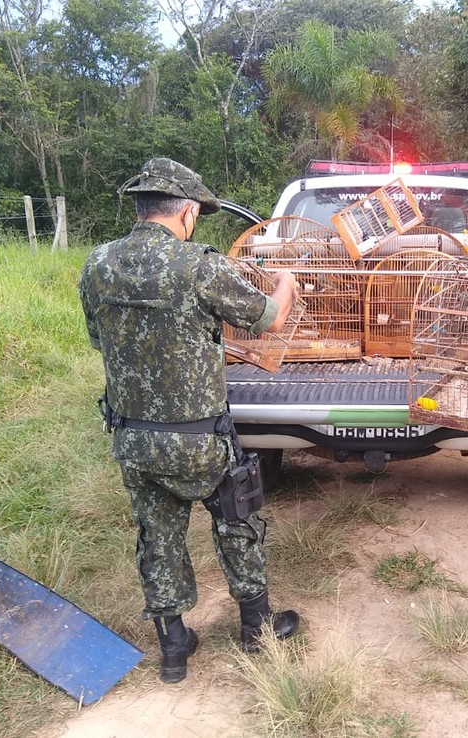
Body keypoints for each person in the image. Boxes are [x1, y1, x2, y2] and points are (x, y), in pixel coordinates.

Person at [79, 157, 301, 684]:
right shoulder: (198, 265)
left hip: (134, 438)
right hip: (200, 438)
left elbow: (99, 340)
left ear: (141, 207)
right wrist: (286, 282)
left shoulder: (97, 264)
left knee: (157, 536)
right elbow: (270, 318)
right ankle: (256, 630)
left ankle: (173, 647)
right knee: (236, 519)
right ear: (187, 214)